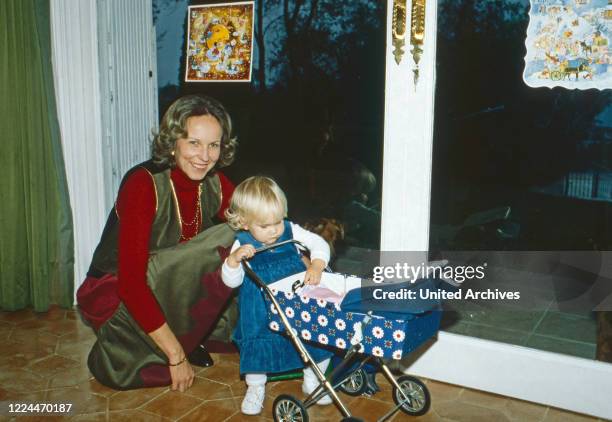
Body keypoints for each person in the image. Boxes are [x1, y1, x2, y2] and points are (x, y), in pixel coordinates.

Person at [77, 94, 238, 392]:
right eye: (194, 142)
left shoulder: (214, 181)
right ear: (173, 141)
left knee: (244, 232)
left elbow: (256, 217)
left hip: (164, 282)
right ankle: (163, 344)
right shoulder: (144, 184)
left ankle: (191, 336)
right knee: (226, 236)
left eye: (213, 145)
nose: (204, 155)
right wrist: (176, 357)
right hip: (114, 292)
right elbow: (131, 285)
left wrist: (302, 252)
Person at [221, 176, 334, 415]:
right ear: (244, 223)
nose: (274, 230)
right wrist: (233, 261)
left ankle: (313, 378)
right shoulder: (241, 243)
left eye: (278, 221)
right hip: (259, 306)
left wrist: (316, 265)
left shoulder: (291, 231)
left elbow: (319, 243)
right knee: (258, 343)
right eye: (264, 226)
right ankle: (255, 387)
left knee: (313, 335)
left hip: (295, 296)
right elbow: (231, 282)